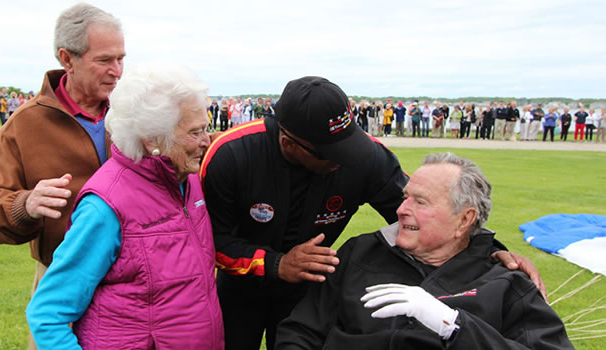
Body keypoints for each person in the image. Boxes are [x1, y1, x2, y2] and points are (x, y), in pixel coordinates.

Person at [199, 77, 545, 350]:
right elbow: (210, 242)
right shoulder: (231, 156)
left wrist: (490, 249)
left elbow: (424, 215)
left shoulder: (364, 157)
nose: (343, 158)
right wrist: (277, 264)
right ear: (290, 142)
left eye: (347, 142)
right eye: (329, 153)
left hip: (311, 288)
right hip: (242, 286)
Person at [276, 153, 573, 350]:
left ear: (464, 220)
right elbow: (299, 332)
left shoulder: (505, 283)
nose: (402, 210)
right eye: (406, 197)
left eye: (421, 202)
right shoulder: (359, 254)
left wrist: (453, 325)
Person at [26, 65, 224, 350]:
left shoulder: (186, 177)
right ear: (152, 140)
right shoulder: (105, 206)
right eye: (195, 133)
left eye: (206, 128)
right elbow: (47, 314)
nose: (206, 141)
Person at [0, 4, 125, 349]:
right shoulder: (23, 126)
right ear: (67, 58)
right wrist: (26, 205)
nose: (118, 71)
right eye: (105, 60)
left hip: (131, 279)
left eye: (122, 58)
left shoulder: (134, 111)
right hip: (62, 280)